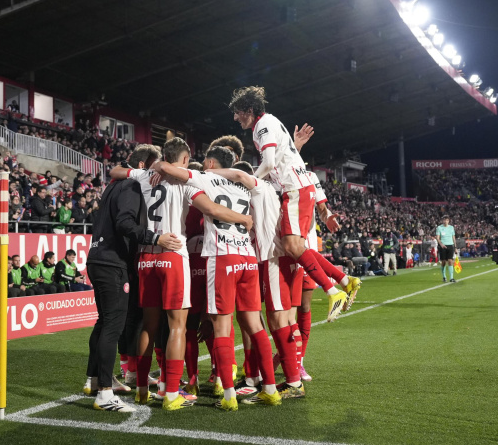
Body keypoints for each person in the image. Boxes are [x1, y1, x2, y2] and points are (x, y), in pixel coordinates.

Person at [110, 137, 253, 411]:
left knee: (148, 326)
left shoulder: (143, 174)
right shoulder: (185, 182)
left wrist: (156, 168)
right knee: (177, 326)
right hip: (174, 255)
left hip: (146, 257)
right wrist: (243, 219)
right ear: (185, 160)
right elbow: (211, 209)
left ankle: (141, 389)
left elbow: (116, 171)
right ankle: (173, 393)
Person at [229, 86, 358, 322]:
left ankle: (334, 290)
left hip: (295, 190)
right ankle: (343, 280)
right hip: (299, 188)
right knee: (296, 246)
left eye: (238, 112)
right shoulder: (270, 123)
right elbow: (285, 160)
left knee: (291, 246)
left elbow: (267, 164)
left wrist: (247, 185)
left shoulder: (263, 125)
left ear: (249, 109)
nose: (235, 118)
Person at [84, 144, 182, 413]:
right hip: (112, 261)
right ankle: (104, 394)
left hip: (98, 257)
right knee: (113, 326)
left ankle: (94, 380)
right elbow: (125, 222)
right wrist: (155, 237)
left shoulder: (114, 185)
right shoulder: (130, 186)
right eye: (151, 169)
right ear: (141, 168)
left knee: (104, 322)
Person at [435, 216, 456, 282]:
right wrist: (441, 244)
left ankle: (451, 278)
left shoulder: (451, 227)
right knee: (443, 262)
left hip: (450, 245)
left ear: (448, 221)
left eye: (447, 220)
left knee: (450, 261)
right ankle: (444, 276)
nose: (445, 221)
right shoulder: (439, 227)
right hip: (443, 246)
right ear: (443, 220)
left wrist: (455, 247)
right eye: (444, 220)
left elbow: (453, 237)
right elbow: (438, 238)